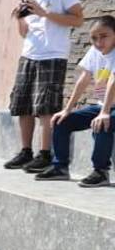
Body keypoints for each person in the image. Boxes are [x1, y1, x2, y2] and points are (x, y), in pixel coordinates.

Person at [3, 0, 85, 173]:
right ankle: (25, 151)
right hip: (29, 54)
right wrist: (20, 18)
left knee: (47, 105)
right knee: (23, 104)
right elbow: (24, 33)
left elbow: (78, 19)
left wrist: (45, 13)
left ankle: (45, 153)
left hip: (53, 55)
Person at [36, 15, 115, 187]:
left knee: (102, 124)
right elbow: (84, 79)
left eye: (104, 36)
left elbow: (112, 82)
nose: (98, 41)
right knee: (61, 121)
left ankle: (101, 171)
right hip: (104, 107)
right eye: (94, 38)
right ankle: (60, 167)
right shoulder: (94, 52)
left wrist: (105, 112)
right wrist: (67, 109)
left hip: (108, 109)